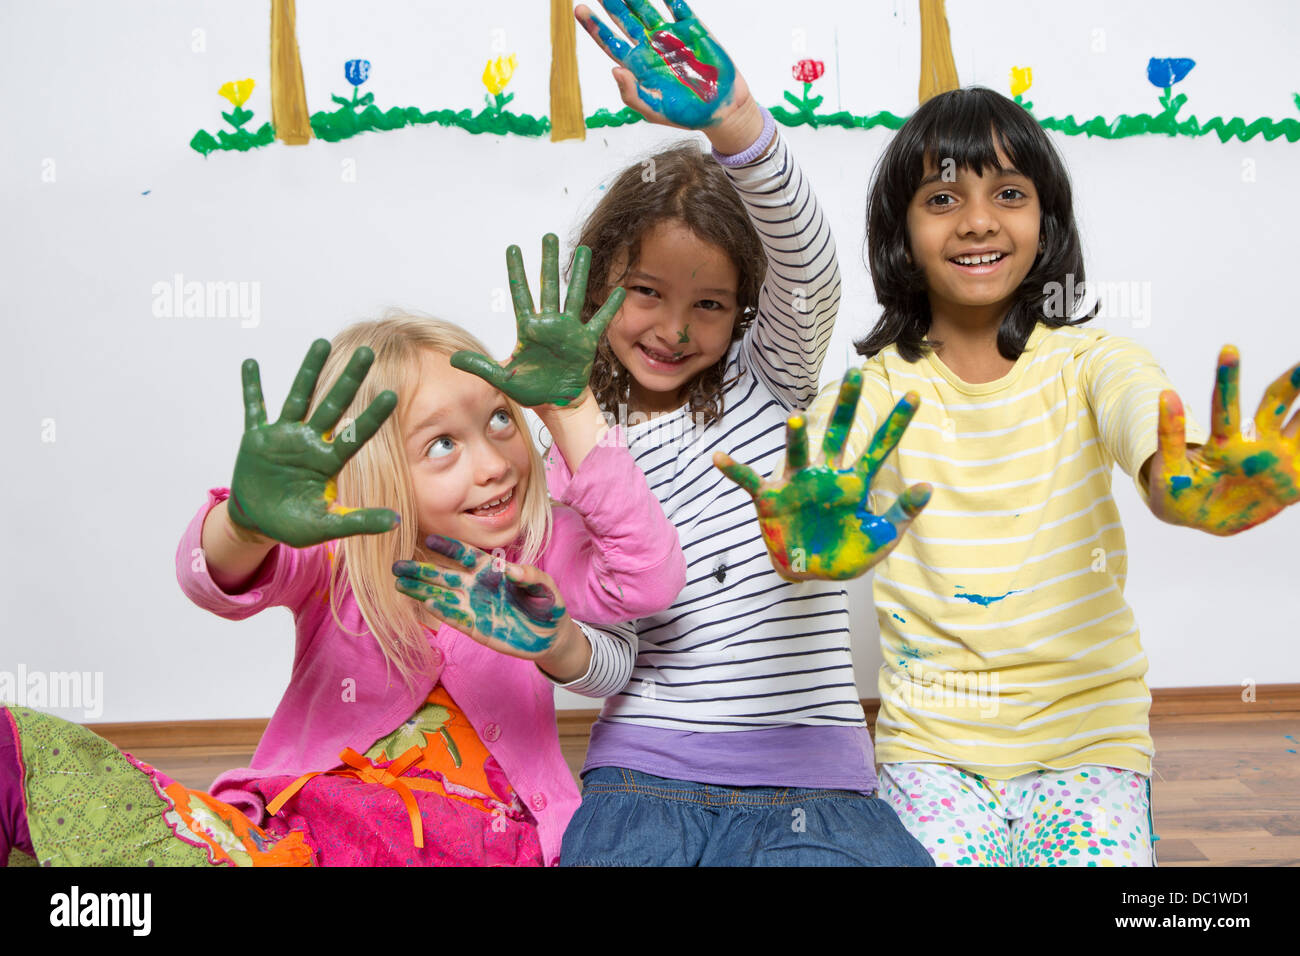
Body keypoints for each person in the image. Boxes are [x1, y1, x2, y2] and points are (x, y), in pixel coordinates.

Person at [736, 86, 1300, 866]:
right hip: (933, 750)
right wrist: (803, 546)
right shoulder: (874, 391)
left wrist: (1186, 491)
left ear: (1047, 220)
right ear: (901, 229)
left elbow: (1154, 443)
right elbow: (820, 493)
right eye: (942, 197)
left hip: (1088, 744)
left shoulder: (1094, 363)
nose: (977, 220)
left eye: (1009, 193)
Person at [1, 238, 685, 867]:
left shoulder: (540, 548)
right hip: (306, 839)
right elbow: (215, 579)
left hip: (483, 844)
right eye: (441, 445)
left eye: (501, 418)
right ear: (375, 470)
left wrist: (571, 410)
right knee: (15, 748)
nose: (493, 464)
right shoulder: (341, 554)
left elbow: (650, 580)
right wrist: (245, 524)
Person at [524, 0, 930, 865]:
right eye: (646, 292)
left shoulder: (769, 378)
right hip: (643, 778)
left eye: (708, 304)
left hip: (816, 781)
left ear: (744, 308)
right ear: (597, 285)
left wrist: (734, 122)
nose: (674, 329)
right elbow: (614, 661)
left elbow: (810, 273)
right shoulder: (573, 444)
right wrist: (558, 646)